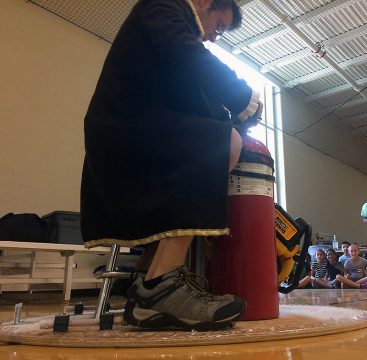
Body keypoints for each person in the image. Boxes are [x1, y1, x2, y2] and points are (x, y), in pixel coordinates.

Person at [80, 0, 264, 331]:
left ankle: (145, 286)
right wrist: (242, 97)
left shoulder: (169, 24)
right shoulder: (163, 5)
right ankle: (162, 284)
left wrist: (228, 115)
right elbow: (189, 58)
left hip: (125, 131)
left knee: (217, 138)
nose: (212, 37)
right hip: (124, 132)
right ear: (206, 2)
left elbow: (193, 96)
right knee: (225, 144)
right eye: (217, 27)